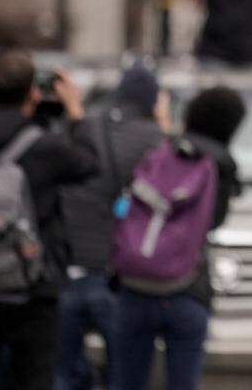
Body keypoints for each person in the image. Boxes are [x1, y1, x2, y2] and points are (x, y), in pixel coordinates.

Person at [0, 50, 99, 390]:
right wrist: (74, 110)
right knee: (35, 376)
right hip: (32, 287)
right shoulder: (44, 147)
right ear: (34, 93)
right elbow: (89, 163)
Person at [115, 86, 244, 390]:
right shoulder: (220, 165)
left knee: (126, 381)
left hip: (134, 285)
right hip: (187, 289)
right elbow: (213, 220)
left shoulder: (159, 149)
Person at [55, 64, 170, 390]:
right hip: (117, 279)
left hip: (69, 271)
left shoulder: (82, 127)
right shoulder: (154, 139)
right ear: (151, 101)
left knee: (62, 374)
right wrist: (163, 122)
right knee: (126, 375)